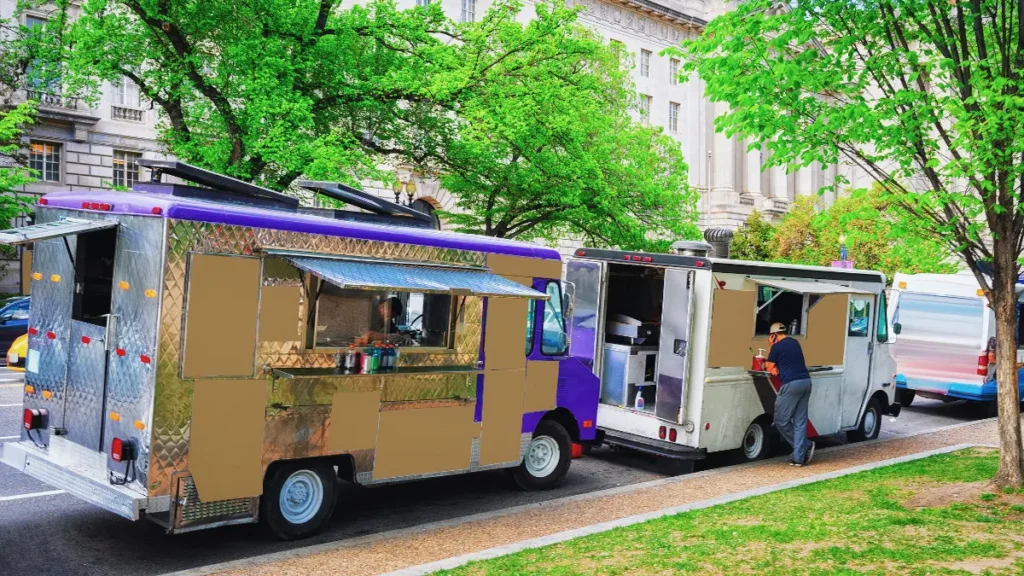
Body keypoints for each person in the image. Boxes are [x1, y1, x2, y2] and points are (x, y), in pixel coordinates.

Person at [765, 322, 816, 466]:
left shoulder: (776, 346)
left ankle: (804, 445)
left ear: (773, 335)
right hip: (806, 382)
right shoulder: (795, 343)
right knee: (800, 422)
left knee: (781, 420)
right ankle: (798, 458)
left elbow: (769, 366)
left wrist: (771, 346)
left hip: (791, 385)